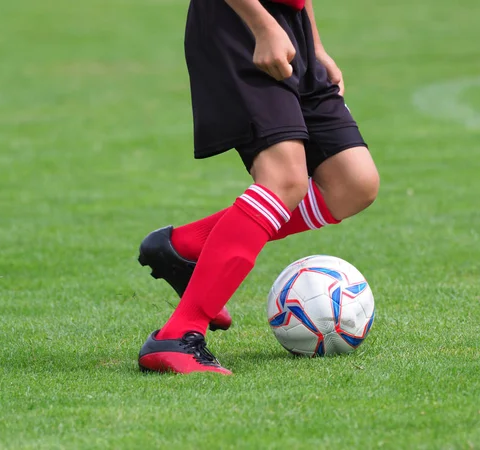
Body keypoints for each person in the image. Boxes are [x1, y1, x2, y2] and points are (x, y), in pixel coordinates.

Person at [137, 0, 379, 375]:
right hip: (240, 21)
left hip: (289, 25)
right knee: (284, 179)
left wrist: (314, 46)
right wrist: (262, 24)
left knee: (353, 182)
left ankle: (185, 247)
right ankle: (178, 334)